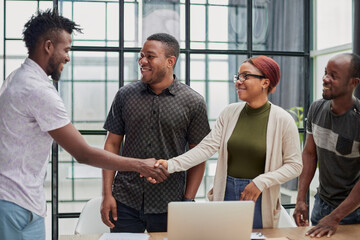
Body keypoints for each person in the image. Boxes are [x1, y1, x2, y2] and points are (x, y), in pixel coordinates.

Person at [0, 9, 168, 240]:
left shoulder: (17, 77)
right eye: (66, 49)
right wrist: (141, 165)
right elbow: (83, 153)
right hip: (13, 204)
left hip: (21, 203)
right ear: (48, 46)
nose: (68, 57)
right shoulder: (37, 90)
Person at [153, 55, 303, 228]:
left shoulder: (283, 119)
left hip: (259, 196)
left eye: (245, 76)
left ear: (265, 82)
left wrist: (260, 182)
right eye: (238, 76)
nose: (238, 81)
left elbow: (294, 165)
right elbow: (206, 148)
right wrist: (170, 165)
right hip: (225, 191)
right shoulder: (230, 112)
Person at [100, 33, 210, 233]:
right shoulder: (125, 95)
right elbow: (112, 145)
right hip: (125, 200)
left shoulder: (193, 102)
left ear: (170, 61)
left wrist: (188, 200)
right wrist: (107, 194)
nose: (142, 61)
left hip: (171, 203)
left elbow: (199, 155)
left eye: (150, 56)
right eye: (141, 56)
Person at [293, 53, 360, 237]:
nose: (325, 79)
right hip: (321, 204)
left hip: (352, 212)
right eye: (325, 73)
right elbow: (309, 154)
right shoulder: (316, 108)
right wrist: (300, 199)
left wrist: (335, 217)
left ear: (353, 82)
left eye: (333, 76)